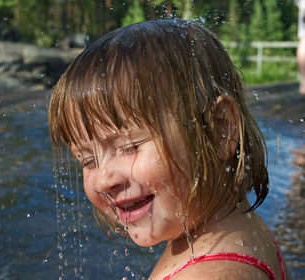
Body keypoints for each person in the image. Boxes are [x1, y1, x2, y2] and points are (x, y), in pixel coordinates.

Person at [49, 20, 289, 280]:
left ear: (220, 129)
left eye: (130, 147)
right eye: (87, 161)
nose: (104, 180)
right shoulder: (238, 228)